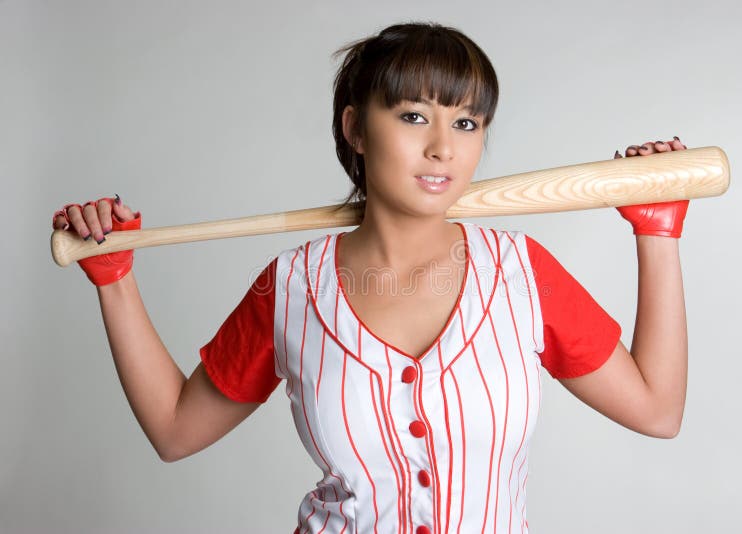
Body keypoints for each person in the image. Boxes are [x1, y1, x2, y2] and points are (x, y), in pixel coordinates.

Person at [51, 21, 688, 534]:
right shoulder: (292, 288)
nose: (443, 147)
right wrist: (114, 277)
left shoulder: (522, 274)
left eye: (466, 123)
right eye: (413, 116)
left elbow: (657, 410)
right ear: (356, 128)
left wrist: (656, 233)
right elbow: (174, 430)